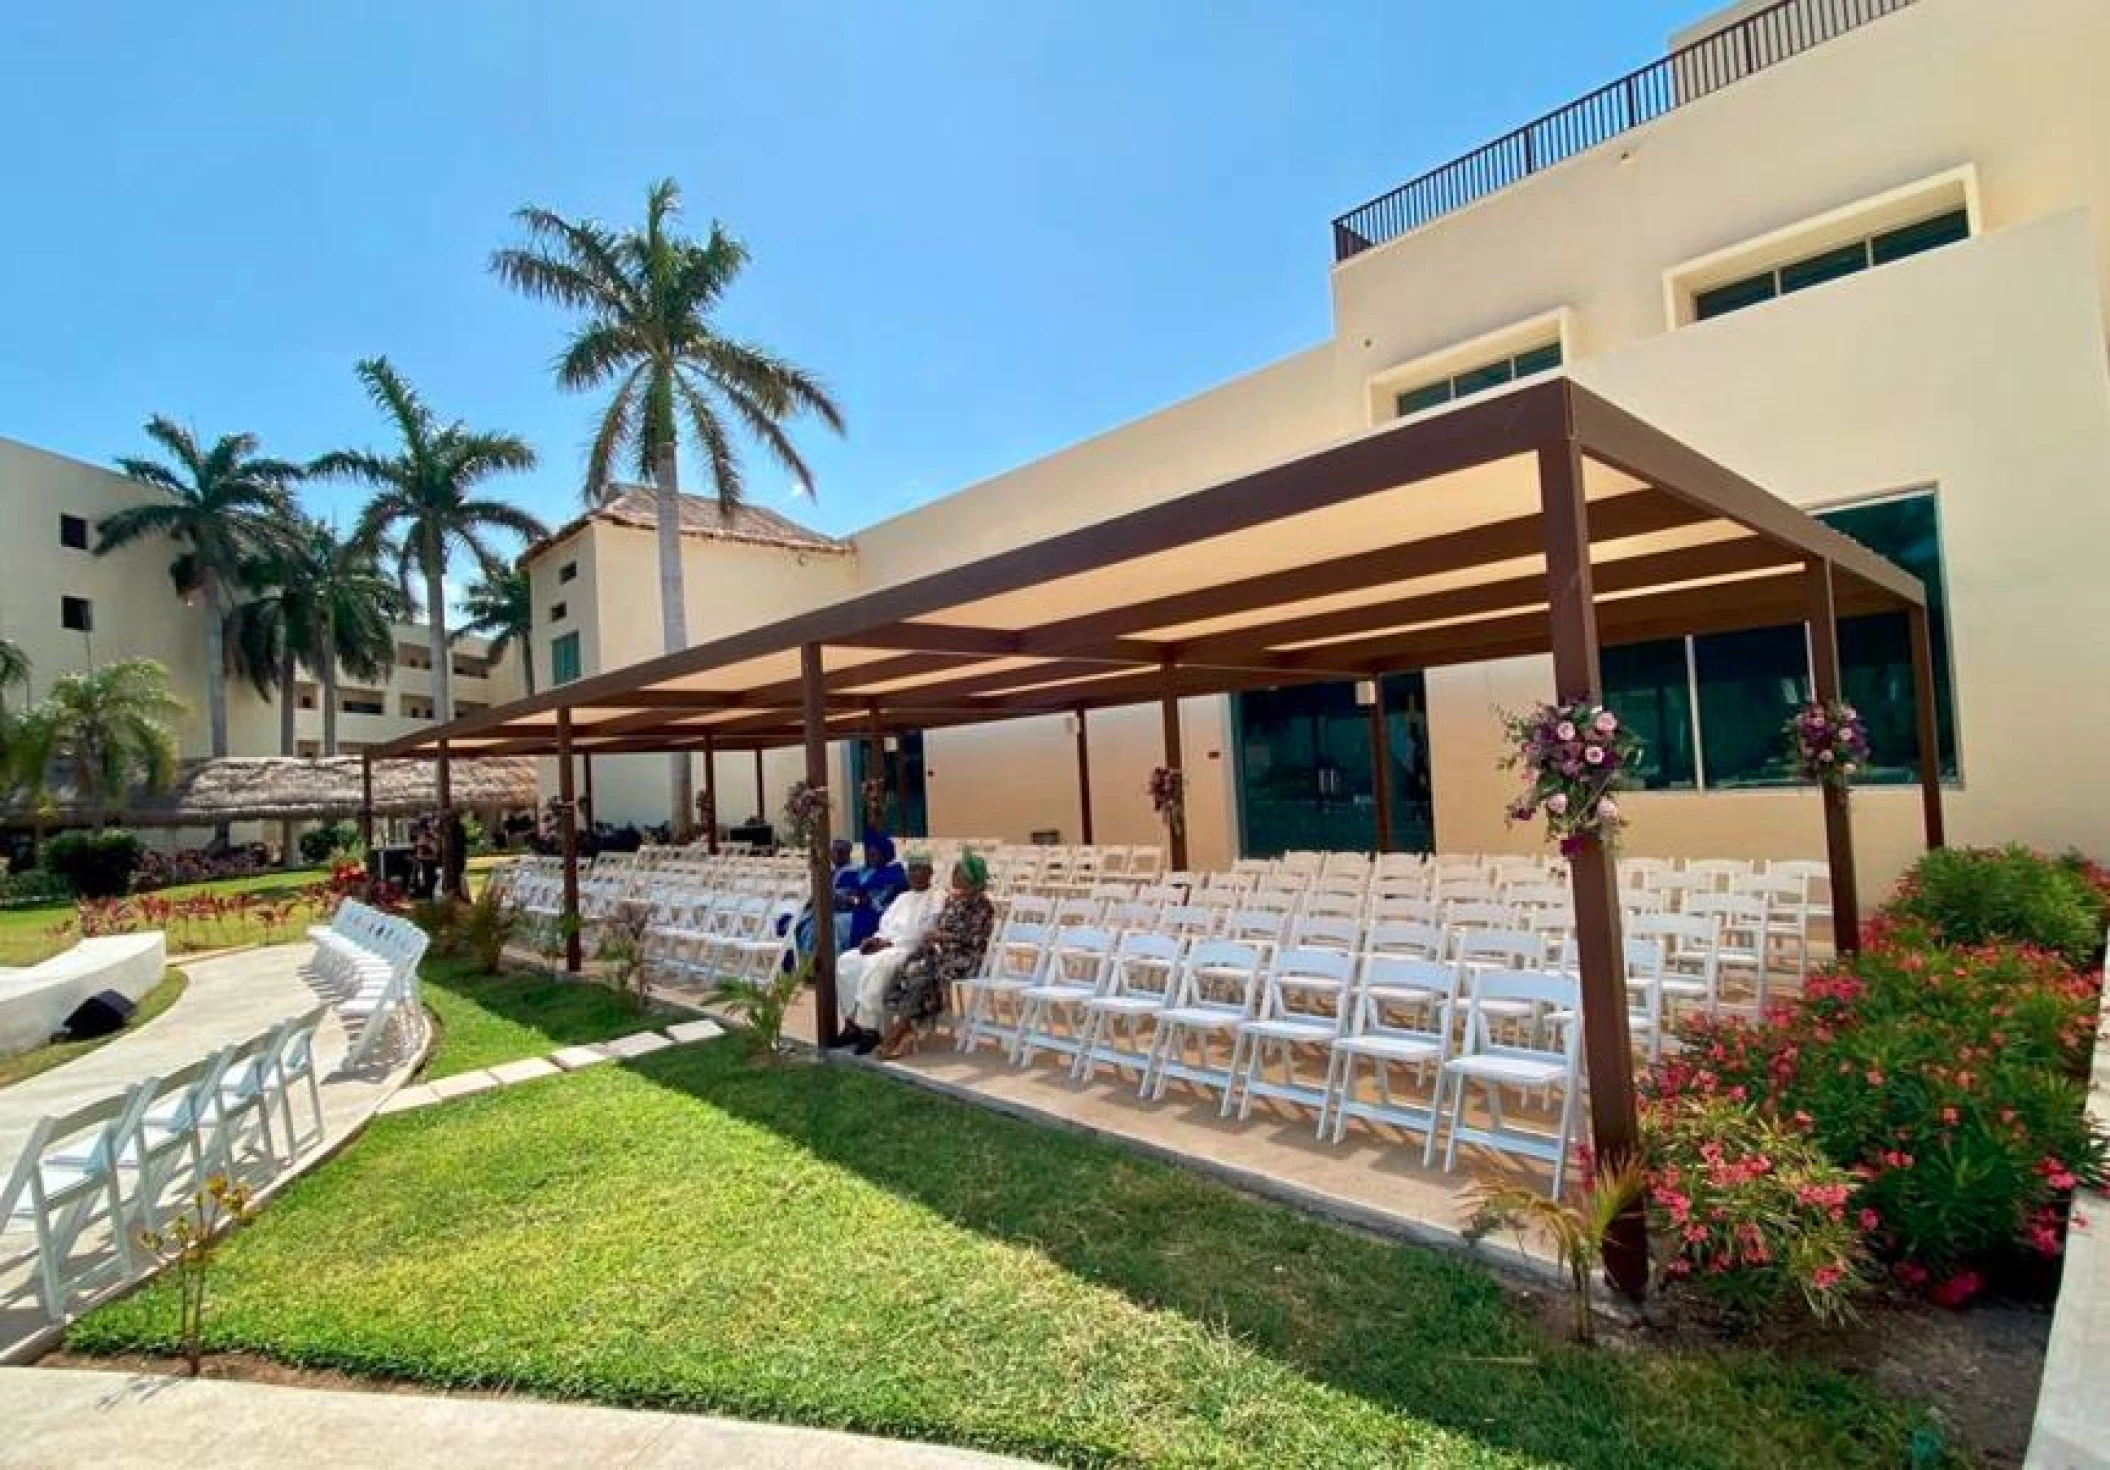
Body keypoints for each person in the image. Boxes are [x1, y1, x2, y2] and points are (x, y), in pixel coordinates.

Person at [875, 852, 996, 1060]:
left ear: (971, 877)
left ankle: (897, 1033)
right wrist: (933, 938)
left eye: (959, 872)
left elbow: (974, 939)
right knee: (904, 969)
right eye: (955, 871)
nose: (954, 875)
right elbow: (940, 928)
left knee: (923, 977)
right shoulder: (952, 901)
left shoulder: (982, 905)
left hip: (966, 959)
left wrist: (942, 936)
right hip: (942, 954)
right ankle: (908, 1029)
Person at [829, 853, 945, 1053]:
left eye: (919, 870)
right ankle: (851, 1024)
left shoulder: (936, 898)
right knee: (847, 961)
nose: (914, 875)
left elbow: (922, 933)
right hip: (885, 943)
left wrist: (888, 943)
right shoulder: (902, 897)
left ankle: (871, 1030)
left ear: (930, 872)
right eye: (911, 871)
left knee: (877, 964)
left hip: (908, 949)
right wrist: (875, 939)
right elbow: (885, 923)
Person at [843, 829, 907, 949]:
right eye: (868, 854)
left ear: (883, 855)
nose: (870, 858)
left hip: (876, 911)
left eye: (874, 855)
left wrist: (868, 900)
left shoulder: (892, 873)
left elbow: (886, 899)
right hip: (851, 908)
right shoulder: (861, 871)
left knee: (841, 924)